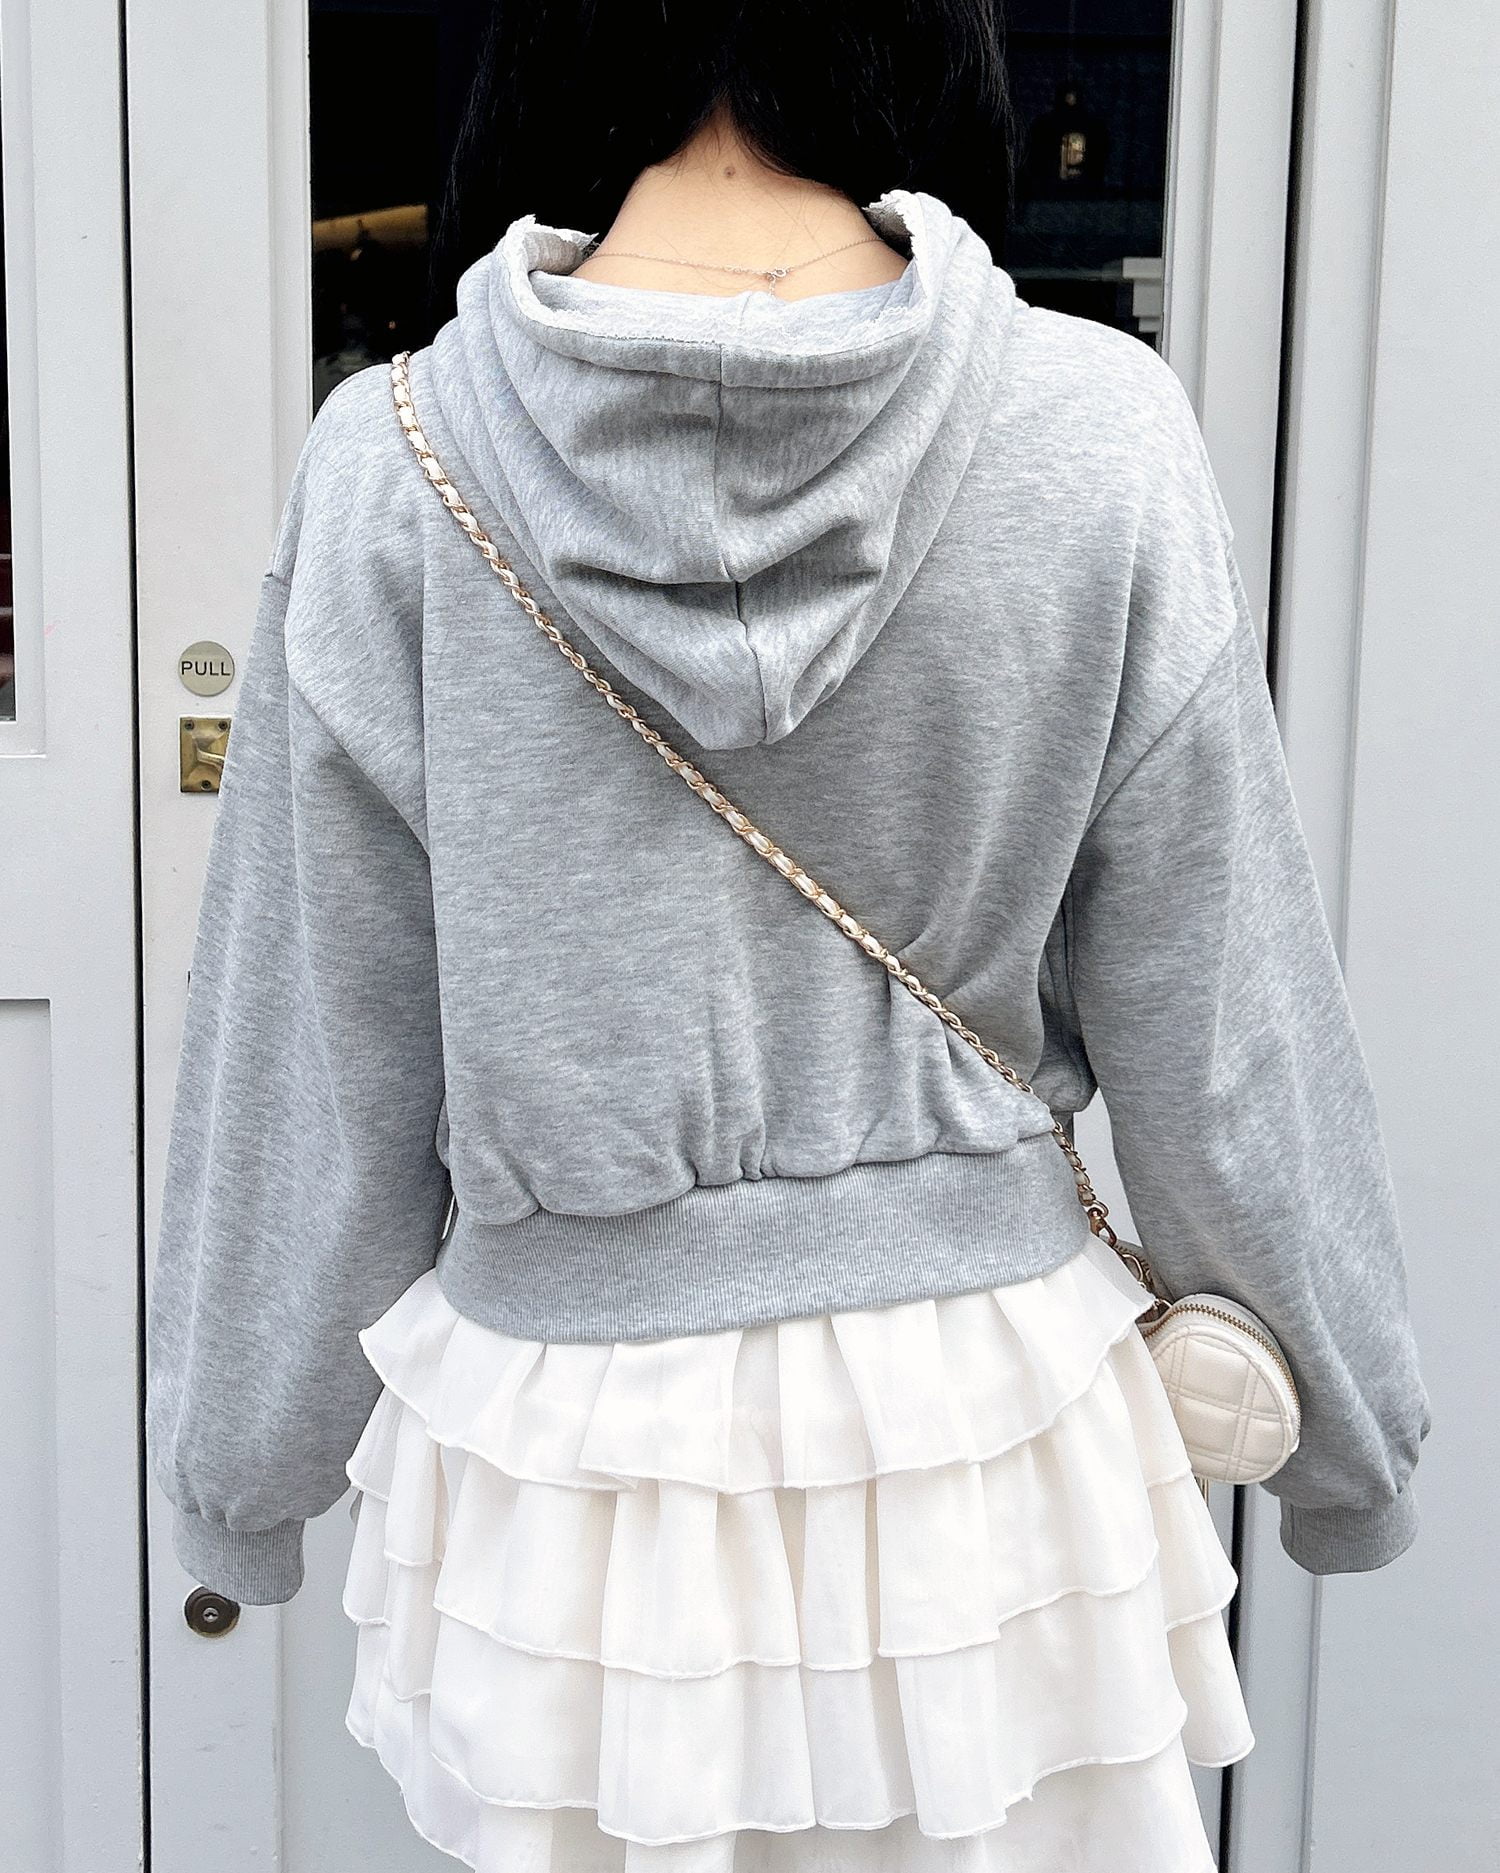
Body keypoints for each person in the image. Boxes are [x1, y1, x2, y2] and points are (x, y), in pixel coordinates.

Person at [145, 4, 1431, 1868]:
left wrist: (244, 1466)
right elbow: (1222, 1023)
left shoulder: (392, 470)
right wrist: (1344, 1434)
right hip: (994, 1448)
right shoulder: (1096, 432)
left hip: (579, 1479)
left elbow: (314, 1058)